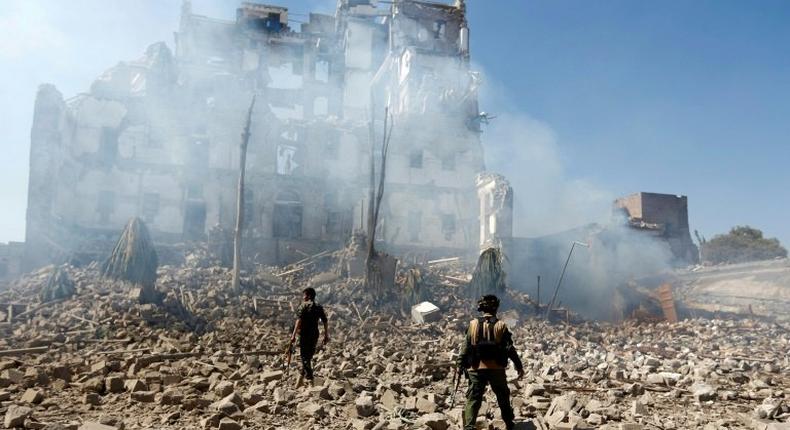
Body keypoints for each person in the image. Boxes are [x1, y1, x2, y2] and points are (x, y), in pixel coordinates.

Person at [457, 294, 524, 430]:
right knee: (503, 397)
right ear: (496, 309)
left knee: (473, 399)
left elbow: (465, 347)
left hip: (476, 368)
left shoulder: (472, 324)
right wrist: (519, 366)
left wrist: (460, 364)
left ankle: (469, 427)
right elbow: (510, 349)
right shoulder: (501, 326)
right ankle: (510, 424)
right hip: (496, 369)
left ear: (482, 308)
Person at [290, 287, 329, 385]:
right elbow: (325, 321)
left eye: (304, 295)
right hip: (315, 334)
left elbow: (299, 321)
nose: (303, 297)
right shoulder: (319, 307)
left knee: (304, 357)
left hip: (304, 334)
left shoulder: (303, 306)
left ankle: (310, 378)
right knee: (308, 357)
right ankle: (299, 381)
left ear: (309, 296)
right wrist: (326, 335)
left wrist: (293, 335)